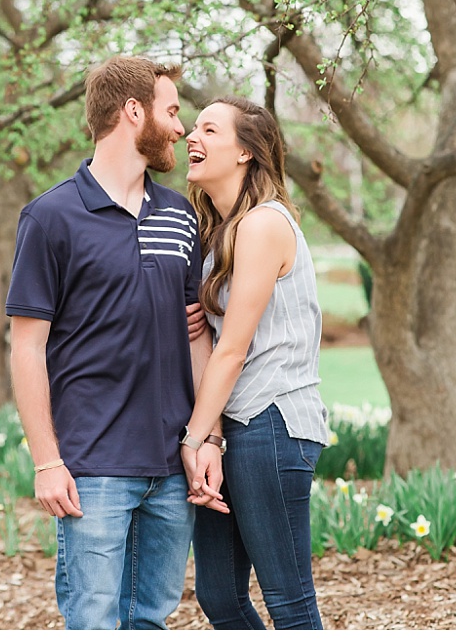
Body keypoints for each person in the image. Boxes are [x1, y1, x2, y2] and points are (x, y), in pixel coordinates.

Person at [6, 56, 224, 630]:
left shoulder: (179, 215)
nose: (180, 128)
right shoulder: (50, 217)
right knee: (94, 623)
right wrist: (46, 461)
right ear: (133, 112)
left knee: (151, 621)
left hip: (173, 469)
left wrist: (208, 439)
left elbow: (196, 334)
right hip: (92, 469)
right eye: (172, 111)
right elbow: (26, 348)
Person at [179, 97, 328, 629]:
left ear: (245, 151)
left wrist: (194, 441)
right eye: (192, 127)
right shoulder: (211, 233)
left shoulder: (264, 225)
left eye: (208, 130)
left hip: (272, 422)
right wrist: (211, 438)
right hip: (229, 428)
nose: (190, 137)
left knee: (288, 601)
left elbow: (234, 348)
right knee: (218, 597)